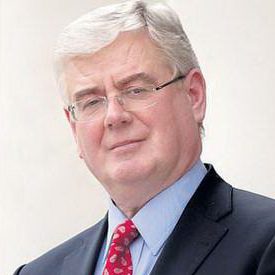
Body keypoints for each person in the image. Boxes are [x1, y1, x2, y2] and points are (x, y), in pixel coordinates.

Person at [14, 1, 275, 274]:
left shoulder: (267, 243)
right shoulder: (38, 272)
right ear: (73, 128)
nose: (114, 116)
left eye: (136, 90)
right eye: (91, 102)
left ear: (194, 96)